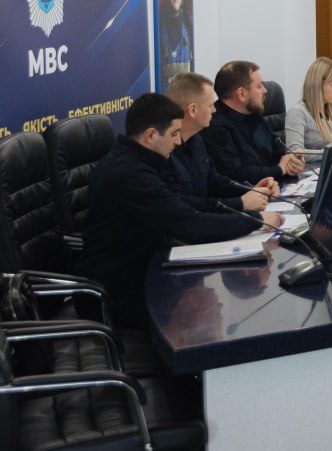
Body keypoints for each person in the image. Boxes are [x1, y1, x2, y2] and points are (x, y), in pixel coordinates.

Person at [78, 93, 281, 328]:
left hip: (146, 267)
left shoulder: (138, 161)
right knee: (199, 323)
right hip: (123, 291)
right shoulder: (132, 175)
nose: (177, 142)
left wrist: (242, 207)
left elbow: (181, 206)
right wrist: (256, 220)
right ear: (151, 135)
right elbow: (190, 225)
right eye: (174, 134)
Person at [167, 72, 279, 211]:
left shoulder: (197, 140)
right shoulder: (165, 152)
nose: (214, 110)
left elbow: (215, 182)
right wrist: (240, 203)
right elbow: (182, 205)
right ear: (193, 110)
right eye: (210, 105)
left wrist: (252, 190)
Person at [205, 60, 306, 182]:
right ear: (241, 94)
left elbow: (278, 150)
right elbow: (235, 174)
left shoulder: (253, 115)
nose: (265, 90)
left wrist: (293, 160)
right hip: (249, 192)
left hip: (275, 186)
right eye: (259, 86)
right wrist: (280, 169)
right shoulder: (215, 127)